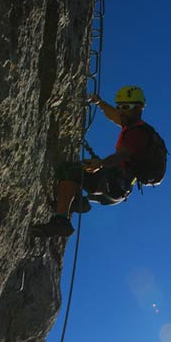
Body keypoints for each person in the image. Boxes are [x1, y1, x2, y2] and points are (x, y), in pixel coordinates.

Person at [30, 85, 153, 237]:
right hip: (116, 190)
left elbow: (122, 155)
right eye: (119, 106)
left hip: (113, 184)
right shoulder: (134, 125)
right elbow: (114, 115)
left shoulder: (138, 134)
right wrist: (100, 103)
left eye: (125, 107)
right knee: (80, 173)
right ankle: (77, 202)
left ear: (139, 108)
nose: (121, 110)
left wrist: (101, 164)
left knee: (69, 171)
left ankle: (61, 222)